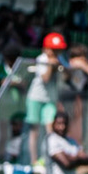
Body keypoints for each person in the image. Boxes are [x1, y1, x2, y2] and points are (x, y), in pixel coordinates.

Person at [24, 32, 67, 164]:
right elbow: (45, 78)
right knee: (34, 131)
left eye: (58, 50)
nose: (56, 52)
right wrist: (51, 65)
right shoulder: (41, 59)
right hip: (36, 97)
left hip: (50, 100)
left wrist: (60, 66)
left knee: (50, 130)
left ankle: (48, 159)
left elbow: (66, 77)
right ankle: (33, 161)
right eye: (53, 50)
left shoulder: (60, 59)